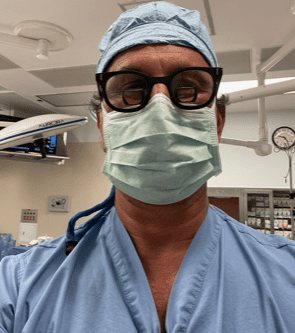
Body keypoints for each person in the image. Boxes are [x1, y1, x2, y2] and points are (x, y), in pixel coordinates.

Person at [0, 2, 295, 333]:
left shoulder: (288, 276)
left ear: (218, 121)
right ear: (102, 127)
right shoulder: (17, 287)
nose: (160, 109)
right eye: (130, 90)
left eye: (188, 88)